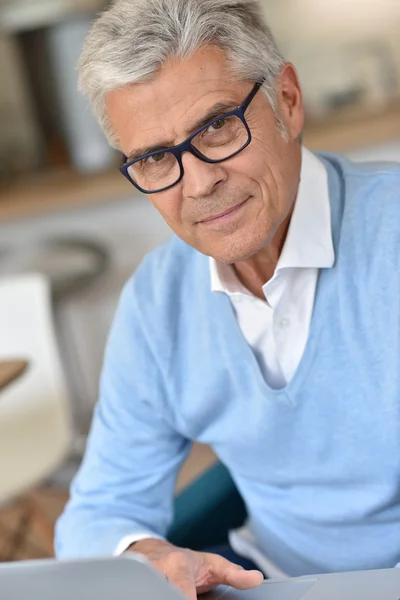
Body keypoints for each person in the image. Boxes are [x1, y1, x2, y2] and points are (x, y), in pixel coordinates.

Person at [55, 0, 400, 598]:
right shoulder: (158, 302)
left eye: (216, 125)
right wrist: (150, 557)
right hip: (266, 579)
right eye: (157, 157)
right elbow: (97, 512)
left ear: (287, 101)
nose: (199, 181)